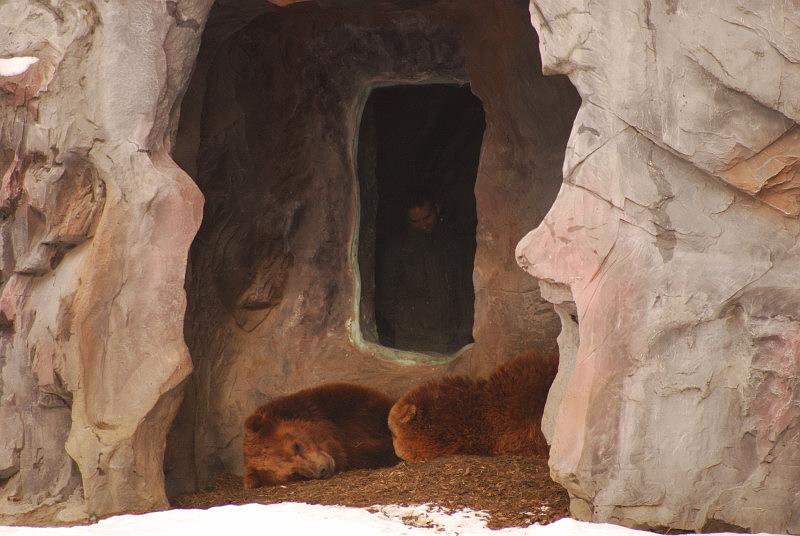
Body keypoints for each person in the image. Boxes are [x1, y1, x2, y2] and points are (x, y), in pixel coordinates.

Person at [375, 186, 475, 354]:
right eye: (415, 221)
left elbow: (466, 290)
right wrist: (407, 326)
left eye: (427, 217)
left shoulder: (454, 244)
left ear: (436, 209)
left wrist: (465, 331)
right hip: (413, 342)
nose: (423, 225)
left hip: (452, 339)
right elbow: (385, 298)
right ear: (407, 220)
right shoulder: (398, 251)